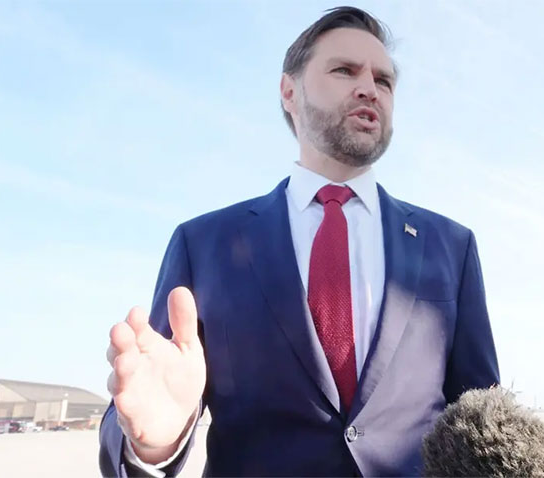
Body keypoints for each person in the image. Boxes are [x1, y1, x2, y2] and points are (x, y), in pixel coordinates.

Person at [99, 6, 499, 477]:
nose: (370, 88)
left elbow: (481, 422)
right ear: (289, 92)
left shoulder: (451, 246)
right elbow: (152, 387)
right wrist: (153, 443)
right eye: (344, 70)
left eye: (384, 81)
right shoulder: (203, 243)